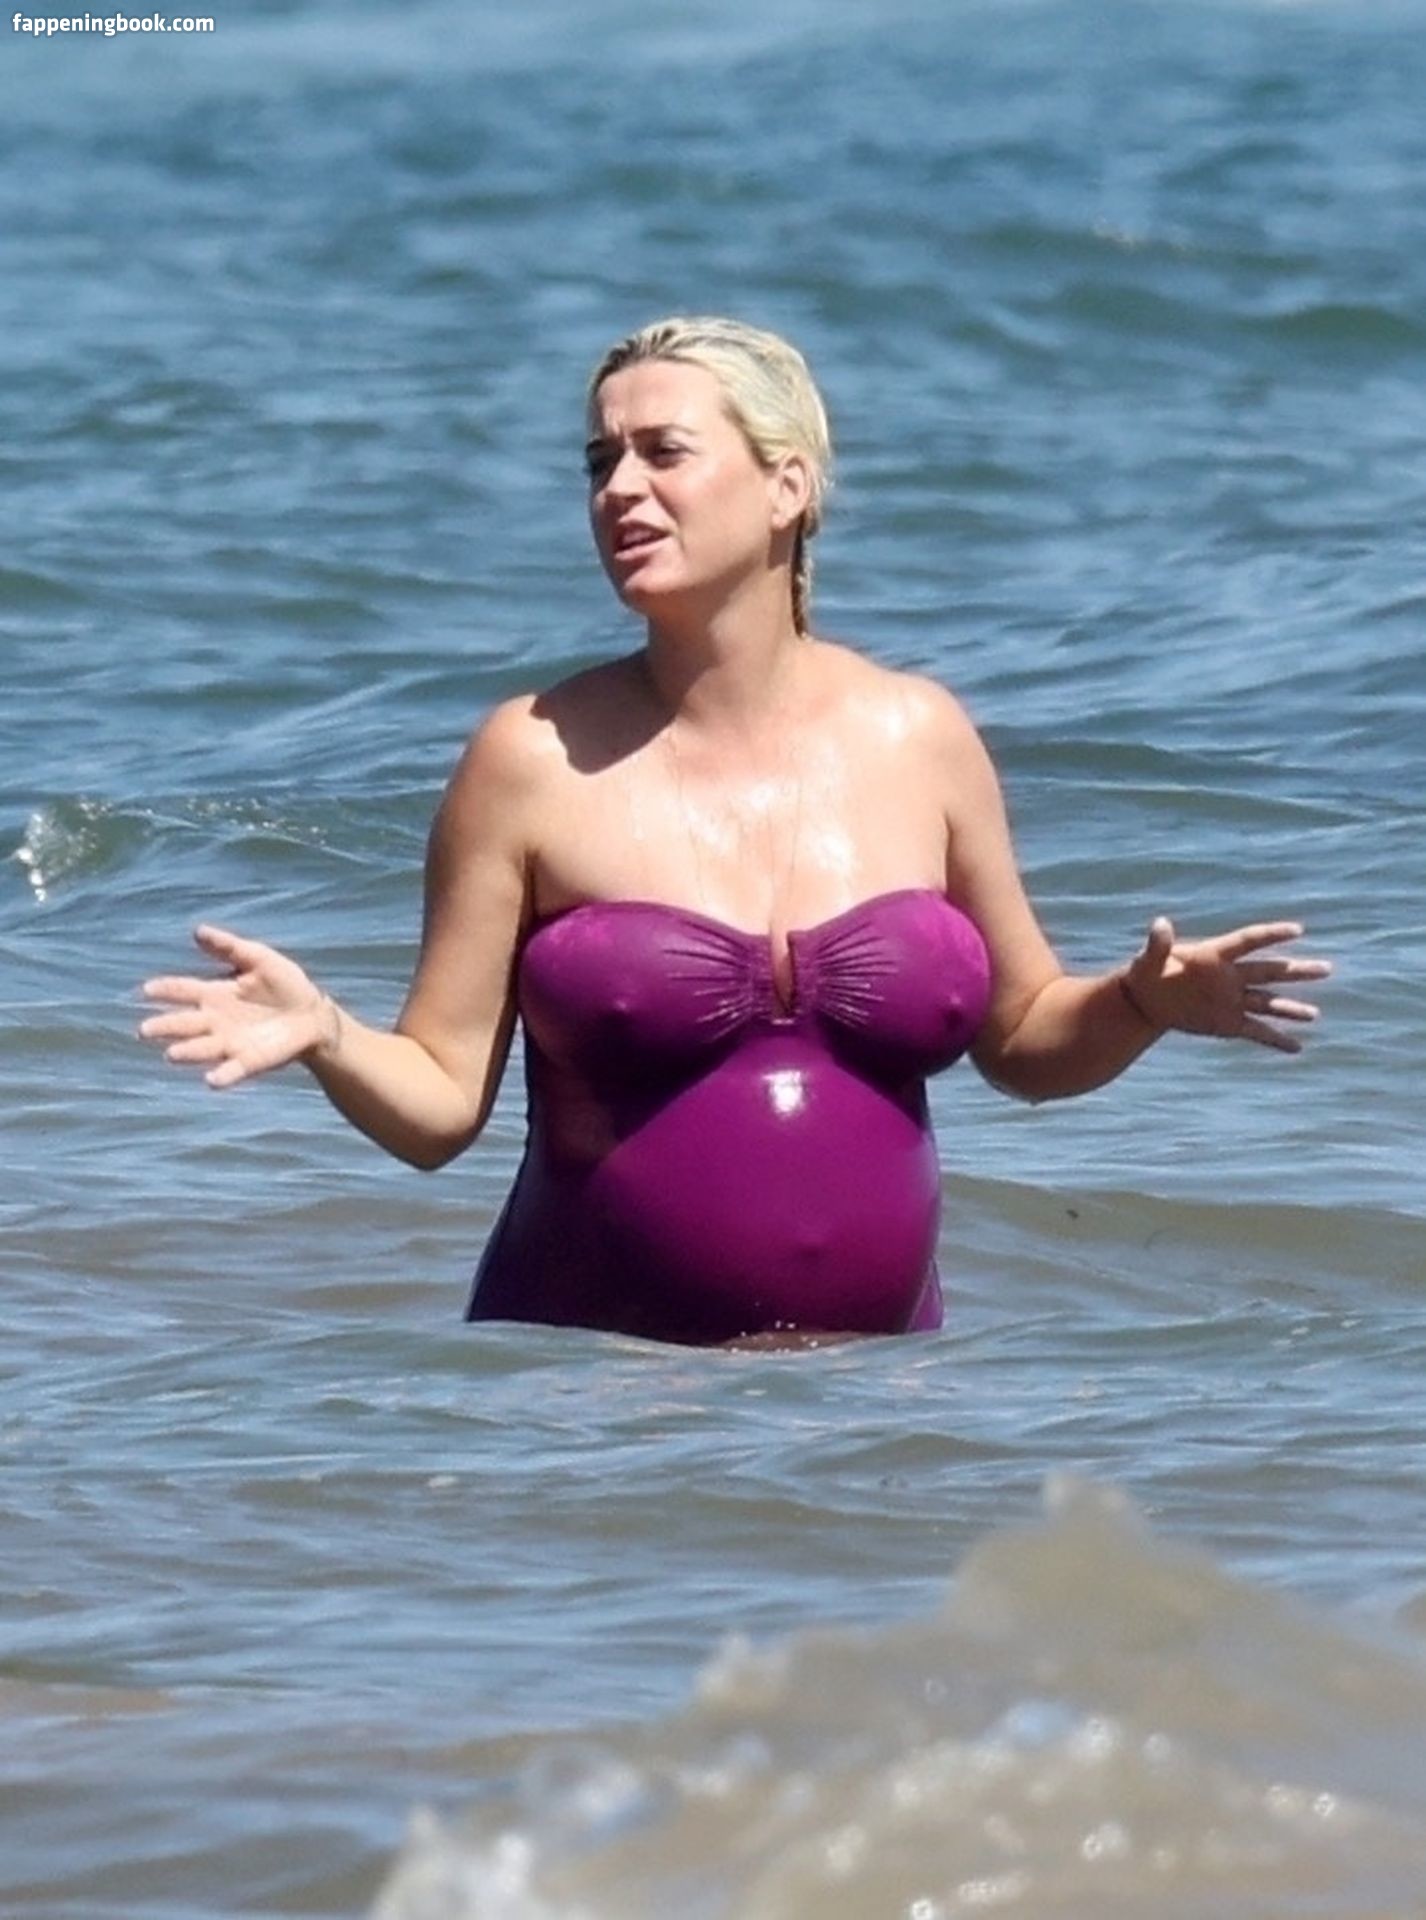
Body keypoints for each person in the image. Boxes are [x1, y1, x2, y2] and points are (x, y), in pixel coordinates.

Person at [139, 316, 1331, 1346]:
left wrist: (1138, 1003)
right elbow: (442, 1103)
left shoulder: (918, 736)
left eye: (662, 452)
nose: (617, 488)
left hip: (880, 1405)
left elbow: (1023, 1040)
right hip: (597, 1405)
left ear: (786, 487)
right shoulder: (531, 756)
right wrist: (328, 1032)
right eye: (599, 461)